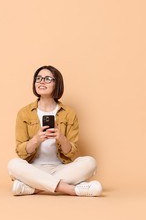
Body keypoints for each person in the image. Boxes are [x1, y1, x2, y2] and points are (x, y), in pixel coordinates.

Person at [7, 65, 102, 196]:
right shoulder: (24, 113)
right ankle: (72, 190)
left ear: (57, 84)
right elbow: (21, 153)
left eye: (47, 79)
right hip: (34, 168)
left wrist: (61, 138)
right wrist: (36, 140)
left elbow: (72, 154)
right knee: (13, 165)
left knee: (90, 162)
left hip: (61, 168)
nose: (41, 81)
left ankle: (33, 188)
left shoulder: (69, 114)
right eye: (38, 78)